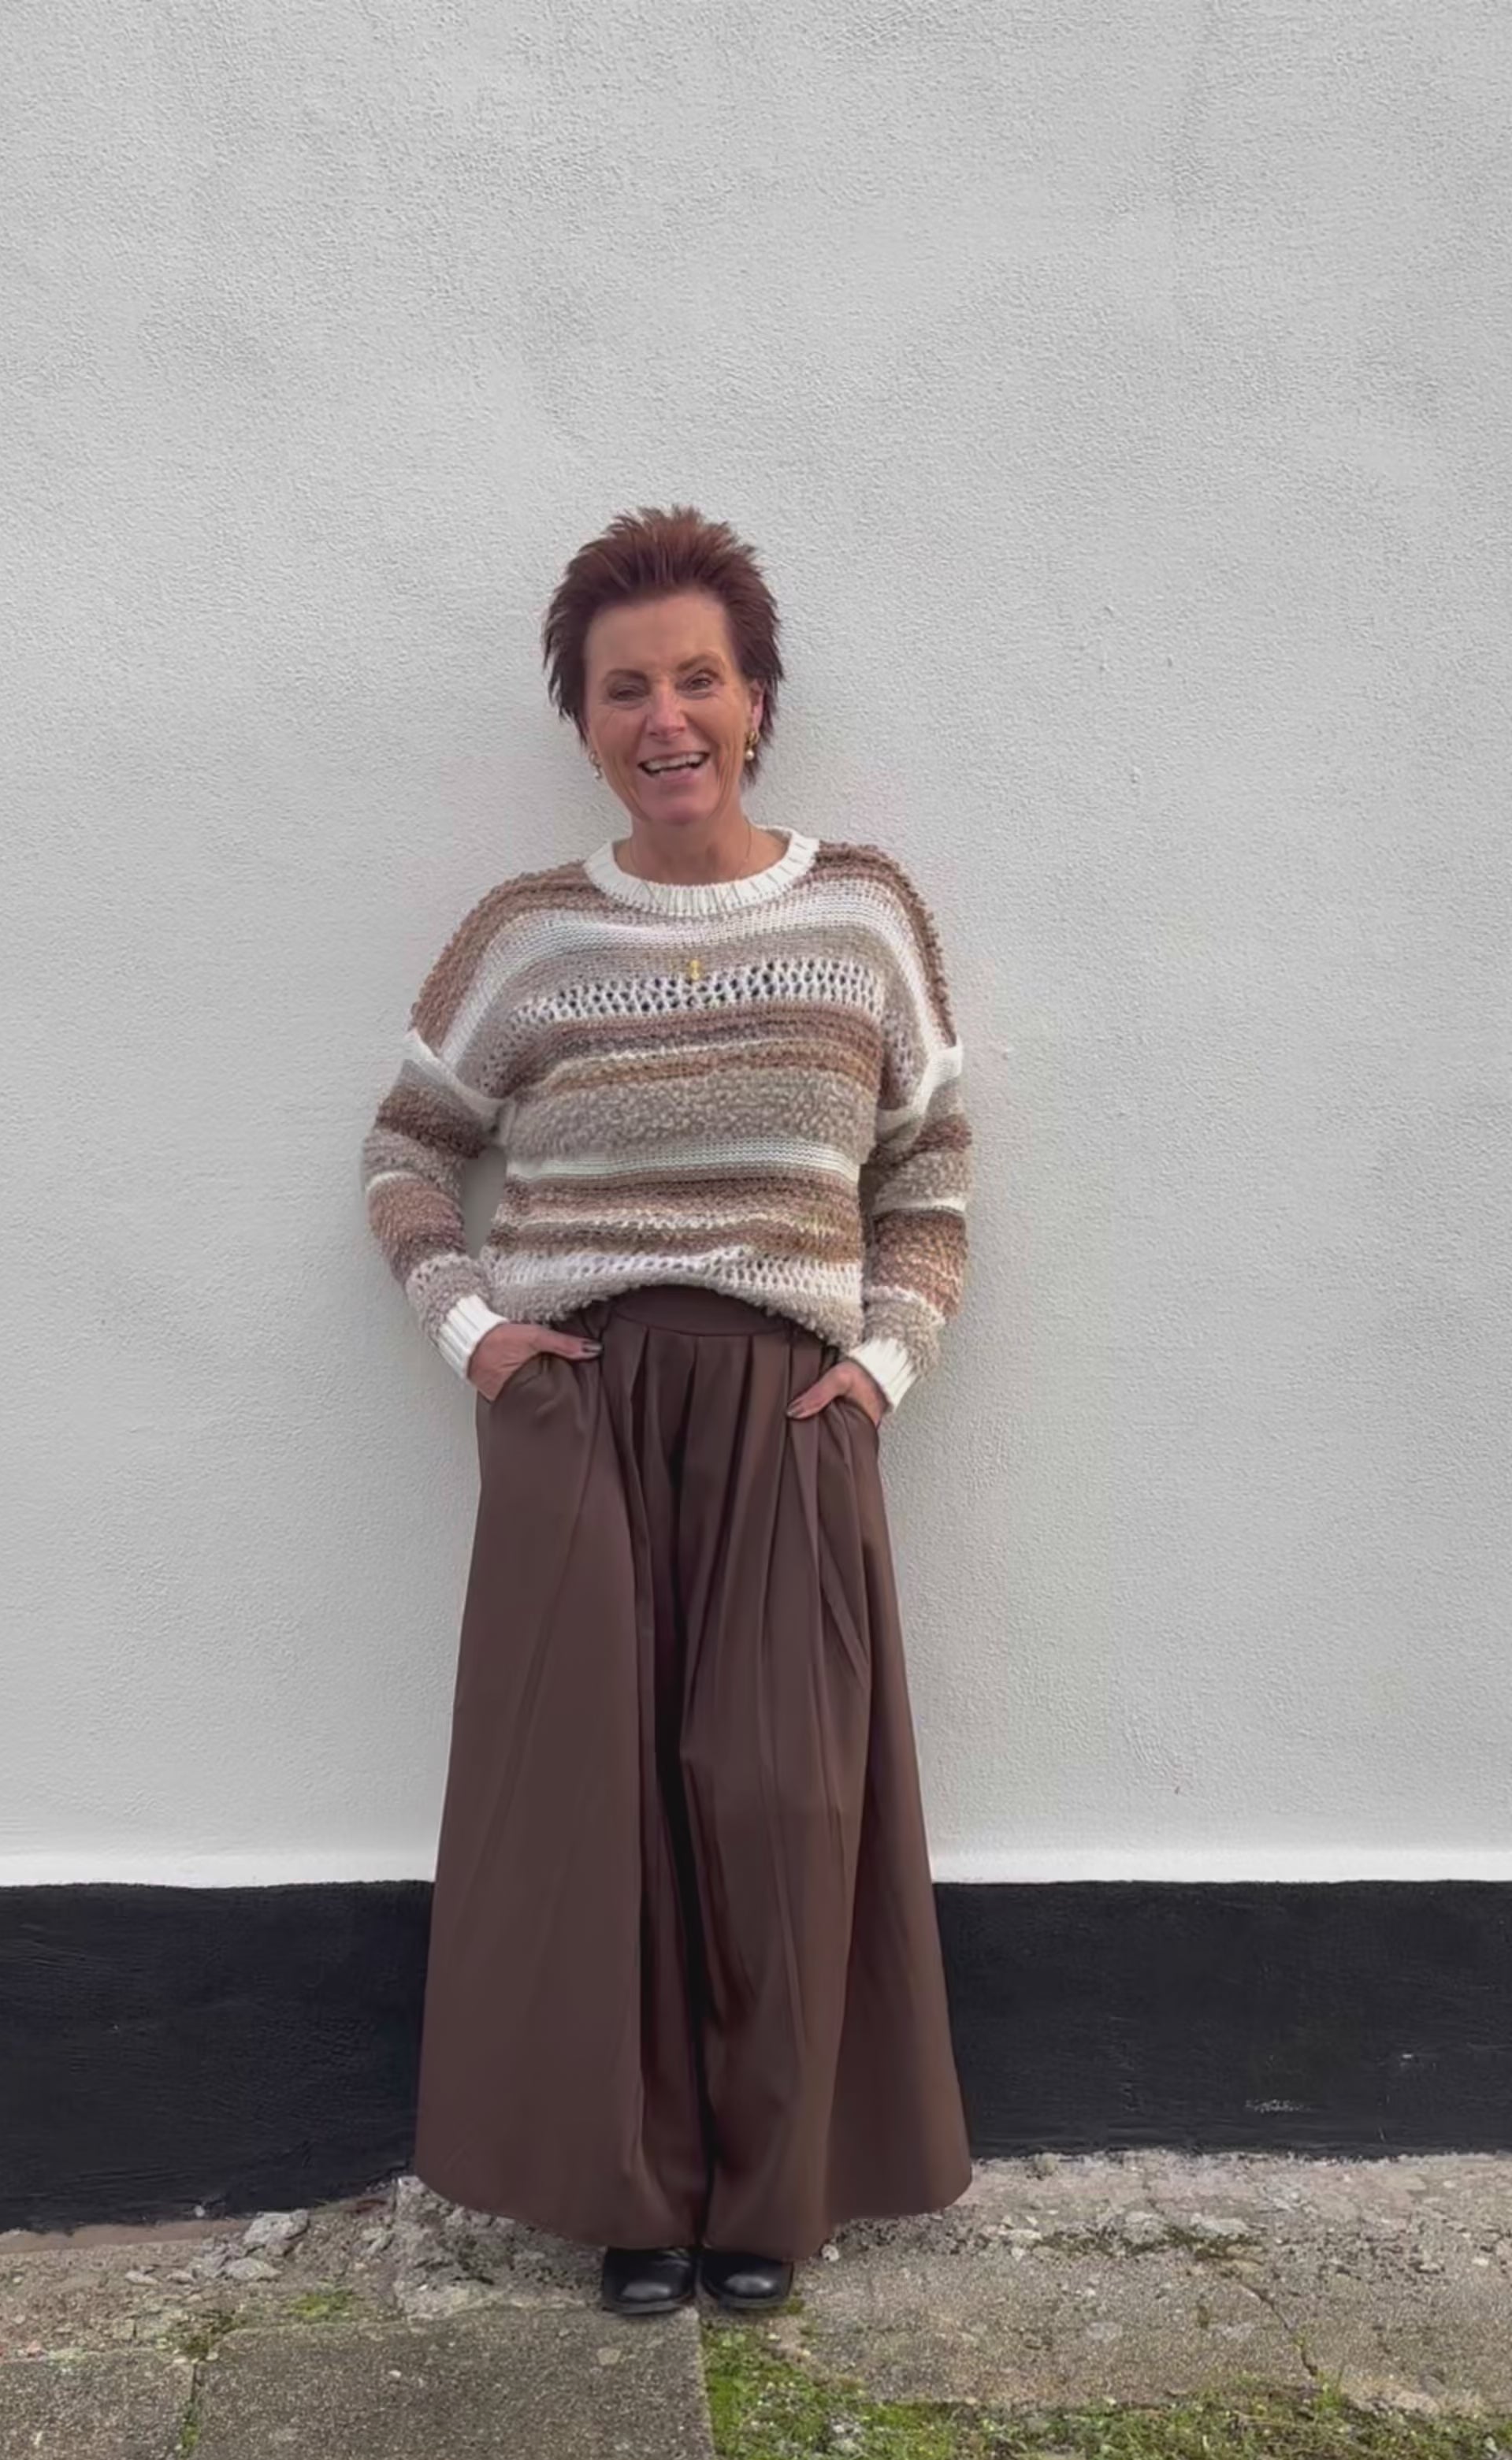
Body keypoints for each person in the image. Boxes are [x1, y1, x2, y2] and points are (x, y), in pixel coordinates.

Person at [360, 504, 975, 2321]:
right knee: (595, 1819)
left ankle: (764, 2197)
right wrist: (473, 1331)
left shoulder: (863, 918)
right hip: (582, 1413)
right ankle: (632, 2201)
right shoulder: (529, 937)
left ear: (758, 698)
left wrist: (884, 1365)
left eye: (698, 679)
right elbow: (408, 1148)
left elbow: (930, 1169)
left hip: (790, 1411)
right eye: (625, 688)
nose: (667, 718)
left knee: (781, 1802)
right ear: (585, 719)